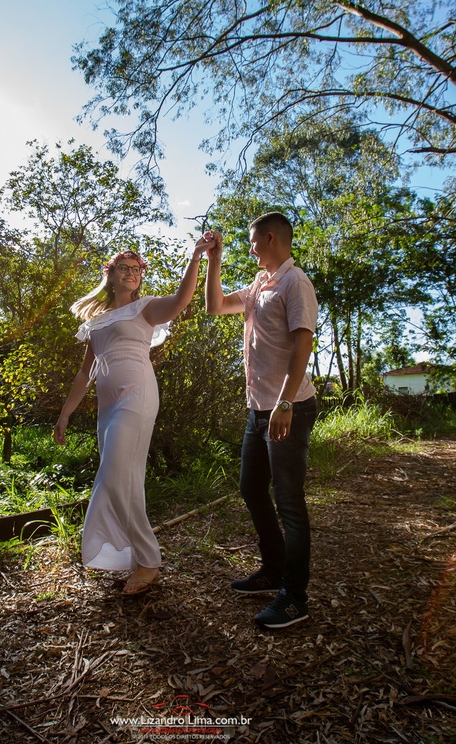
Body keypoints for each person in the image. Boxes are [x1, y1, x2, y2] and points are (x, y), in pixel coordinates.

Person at [55, 238, 214, 595]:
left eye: (137, 269)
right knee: (120, 479)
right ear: (110, 275)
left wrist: (195, 257)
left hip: (137, 396)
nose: (131, 273)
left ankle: (148, 561)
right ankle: (136, 558)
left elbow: (182, 300)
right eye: (124, 268)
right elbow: (85, 373)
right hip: (108, 407)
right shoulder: (96, 322)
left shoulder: (145, 308)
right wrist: (65, 415)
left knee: (115, 475)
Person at [204, 212, 318, 629]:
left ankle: (295, 598)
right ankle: (273, 569)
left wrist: (285, 402)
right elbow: (215, 306)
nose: (250, 249)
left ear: (270, 238)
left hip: (289, 407)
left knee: (289, 501)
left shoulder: (295, 282)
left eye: (253, 242)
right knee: (251, 487)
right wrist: (214, 260)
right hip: (259, 409)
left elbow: (303, 342)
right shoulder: (258, 285)